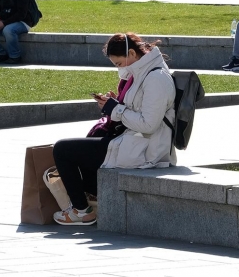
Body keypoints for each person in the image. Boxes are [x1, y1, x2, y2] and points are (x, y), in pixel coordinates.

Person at [52, 32, 176, 225]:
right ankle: (89, 202)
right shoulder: (142, 72)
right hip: (133, 141)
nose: (119, 68)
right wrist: (114, 103)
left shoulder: (156, 78)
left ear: (133, 54)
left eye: (119, 63)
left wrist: (115, 109)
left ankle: (82, 211)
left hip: (146, 149)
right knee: (81, 148)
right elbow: (137, 109)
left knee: (62, 149)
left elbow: (149, 125)